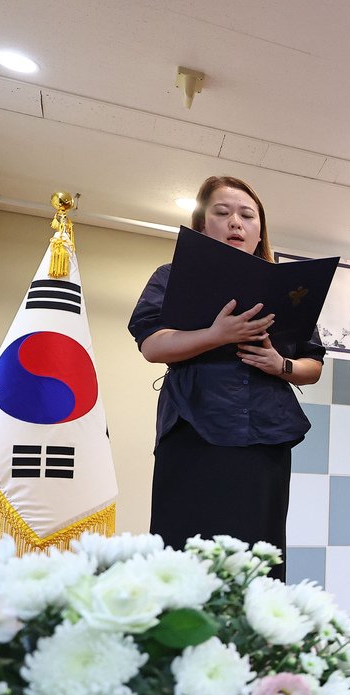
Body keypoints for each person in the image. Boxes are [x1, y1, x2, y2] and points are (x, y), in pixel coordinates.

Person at [128, 175, 324, 580]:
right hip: (193, 426)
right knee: (185, 552)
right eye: (222, 212)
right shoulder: (172, 274)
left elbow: (313, 365)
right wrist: (216, 335)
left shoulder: (288, 286)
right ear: (202, 225)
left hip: (266, 433)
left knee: (258, 554)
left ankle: (254, 641)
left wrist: (280, 365)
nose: (236, 222)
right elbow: (152, 344)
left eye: (247, 215)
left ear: (259, 230)